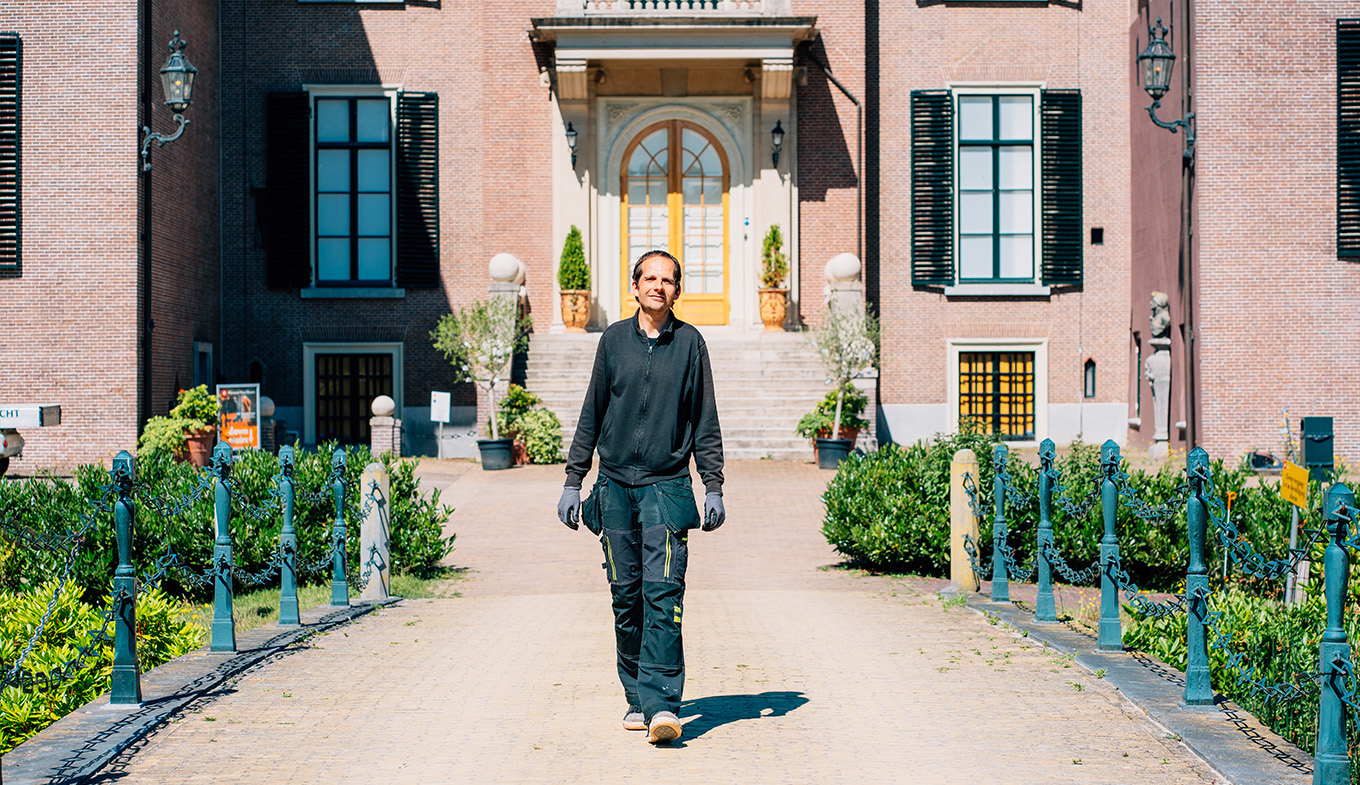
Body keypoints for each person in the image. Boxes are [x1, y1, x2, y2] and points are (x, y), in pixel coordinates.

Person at [557, 249, 725, 745]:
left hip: (666, 488)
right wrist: (573, 479)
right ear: (634, 287)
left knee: (663, 595)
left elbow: (705, 420)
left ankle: (661, 705)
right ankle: (636, 695)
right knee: (626, 598)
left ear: (677, 290)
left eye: (667, 280)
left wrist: (712, 484)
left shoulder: (691, 344)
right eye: (649, 278)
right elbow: (592, 412)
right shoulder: (612, 341)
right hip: (613, 491)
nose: (658, 286)